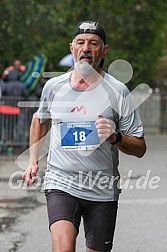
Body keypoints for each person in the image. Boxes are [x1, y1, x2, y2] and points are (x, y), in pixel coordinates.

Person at [22, 21, 146, 252]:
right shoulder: (54, 86)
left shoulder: (117, 91)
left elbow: (140, 147)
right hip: (61, 182)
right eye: (81, 42)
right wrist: (32, 161)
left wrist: (114, 137)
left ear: (104, 50)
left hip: (102, 187)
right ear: (72, 48)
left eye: (93, 43)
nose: (86, 48)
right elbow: (40, 119)